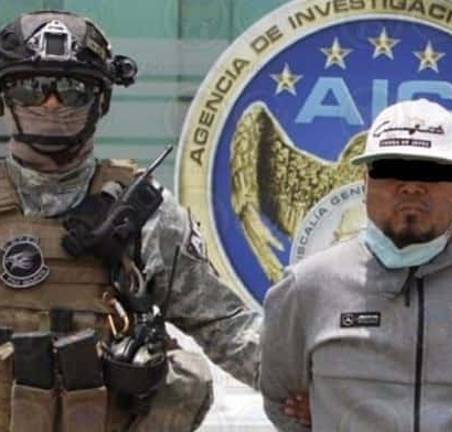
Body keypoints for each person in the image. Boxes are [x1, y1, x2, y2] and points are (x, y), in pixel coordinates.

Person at [0, 10, 264, 431]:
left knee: (185, 377)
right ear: (5, 98)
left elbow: (227, 325)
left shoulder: (142, 212)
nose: (51, 103)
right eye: (30, 88)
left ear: (101, 101)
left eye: (72, 90)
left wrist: (314, 386)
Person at [259, 98, 452, 431]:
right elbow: (284, 402)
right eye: (390, 170)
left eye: (433, 171)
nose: (411, 187)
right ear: (365, 183)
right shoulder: (306, 287)